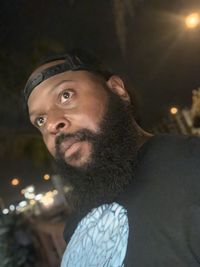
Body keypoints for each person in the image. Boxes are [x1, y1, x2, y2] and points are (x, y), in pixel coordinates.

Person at [24, 49, 200, 267]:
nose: (51, 124)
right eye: (40, 120)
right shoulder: (77, 225)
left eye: (66, 95)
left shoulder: (192, 169)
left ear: (117, 90)